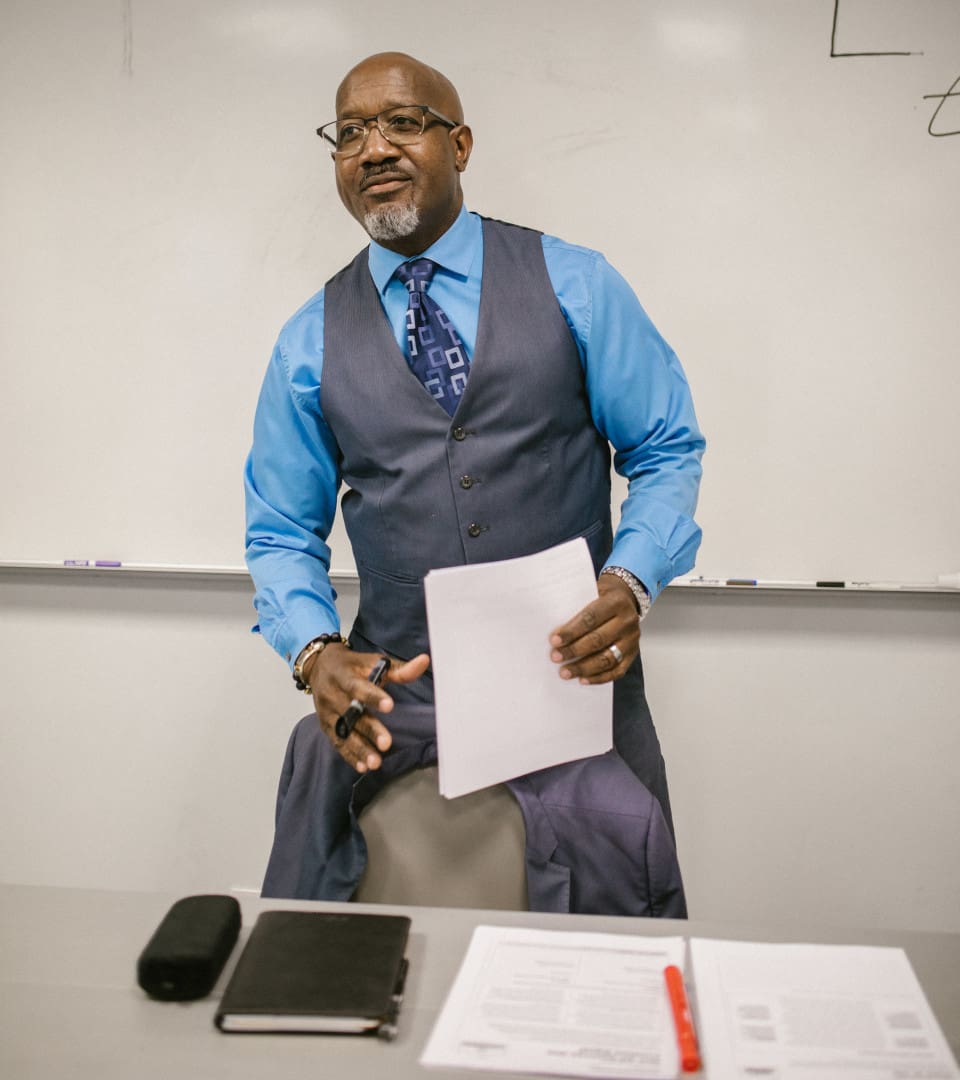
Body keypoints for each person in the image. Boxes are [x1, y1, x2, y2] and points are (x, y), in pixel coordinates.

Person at [244, 51, 705, 915]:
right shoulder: (307, 341)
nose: (373, 147)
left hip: (573, 684)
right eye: (348, 134)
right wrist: (314, 652)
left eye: (402, 123)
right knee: (322, 950)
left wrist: (631, 581)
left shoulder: (578, 285)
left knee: (618, 946)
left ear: (459, 145)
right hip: (399, 695)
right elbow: (279, 531)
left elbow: (667, 450)